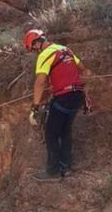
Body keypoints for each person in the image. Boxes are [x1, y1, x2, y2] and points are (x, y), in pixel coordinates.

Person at [24, 29, 92, 181]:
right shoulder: (65, 49)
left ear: (37, 43)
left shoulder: (45, 55)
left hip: (64, 97)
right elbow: (84, 70)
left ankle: (53, 172)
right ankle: (66, 167)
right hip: (77, 97)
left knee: (51, 133)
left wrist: (35, 107)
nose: (34, 51)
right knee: (65, 131)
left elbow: (40, 82)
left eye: (33, 48)